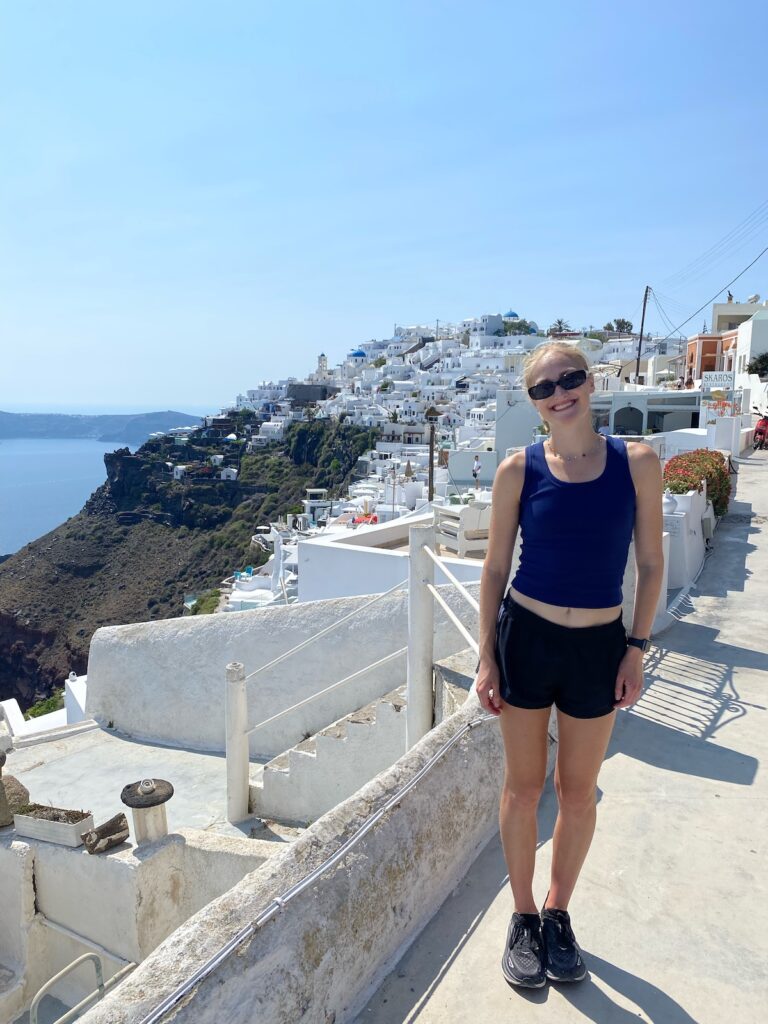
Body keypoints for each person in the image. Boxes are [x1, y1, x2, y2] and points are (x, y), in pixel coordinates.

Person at [475, 341, 663, 989]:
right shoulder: (517, 470)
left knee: (577, 792)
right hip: (526, 639)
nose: (560, 392)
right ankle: (523, 916)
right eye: (543, 387)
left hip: (599, 646)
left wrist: (635, 648)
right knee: (524, 788)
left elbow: (650, 564)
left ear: (590, 381)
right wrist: (485, 660)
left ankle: (559, 913)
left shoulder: (636, 462)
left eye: (570, 378)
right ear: (533, 403)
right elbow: (495, 568)